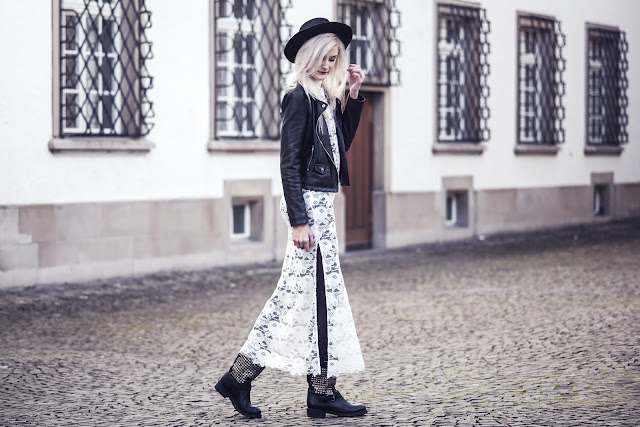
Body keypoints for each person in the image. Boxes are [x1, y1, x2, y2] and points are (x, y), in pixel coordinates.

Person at [215, 17, 367, 419]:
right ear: (307, 56)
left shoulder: (323, 97)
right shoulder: (299, 97)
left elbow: (340, 147)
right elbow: (289, 163)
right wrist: (299, 220)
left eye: (334, 59)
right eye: (323, 58)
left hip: (320, 206)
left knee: (309, 297)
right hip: (308, 209)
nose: (327, 65)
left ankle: (279, 384)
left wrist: (352, 94)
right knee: (313, 297)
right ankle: (309, 390)